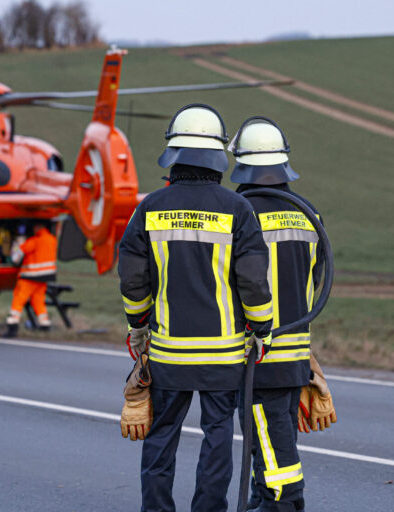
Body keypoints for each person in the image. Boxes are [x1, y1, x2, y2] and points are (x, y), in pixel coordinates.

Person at [118, 104, 273, 512]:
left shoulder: (149, 207)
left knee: (161, 436)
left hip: (168, 353)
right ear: (217, 157)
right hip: (223, 357)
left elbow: (133, 279)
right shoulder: (238, 210)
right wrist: (262, 330)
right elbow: (254, 282)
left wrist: (137, 324)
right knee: (218, 436)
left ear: (175, 155)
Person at [228, 116, 325, 512]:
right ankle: (264, 499)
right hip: (296, 349)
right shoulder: (308, 213)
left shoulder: (240, 211)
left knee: (268, 438)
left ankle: (285, 503)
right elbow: (318, 275)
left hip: (258, 348)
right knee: (273, 435)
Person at [5, 221, 58, 337]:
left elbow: (16, 257)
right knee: (38, 301)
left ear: (37, 227)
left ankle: (12, 325)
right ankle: (45, 324)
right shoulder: (52, 240)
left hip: (30, 276)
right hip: (45, 276)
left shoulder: (34, 241)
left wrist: (17, 243)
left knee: (18, 300)